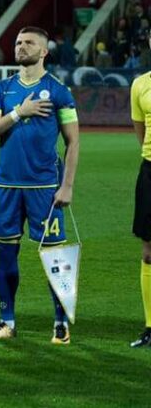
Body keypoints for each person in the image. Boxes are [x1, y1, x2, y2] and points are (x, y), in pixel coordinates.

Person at [0, 27, 80, 343]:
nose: (21, 47)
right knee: (5, 256)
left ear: (44, 51)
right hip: (7, 186)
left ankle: (60, 324)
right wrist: (19, 113)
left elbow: (73, 141)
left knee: (55, 258)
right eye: (18, 42)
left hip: (44, 188)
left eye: (29, 43)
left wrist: (67, 186)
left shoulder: (58, 90)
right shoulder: (4, 88)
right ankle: (6, 322)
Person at [129, 31, 151, 348]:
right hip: (150, 171)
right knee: (148, 254)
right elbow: (141, 132)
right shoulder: (140, 84)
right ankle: (150, 326)